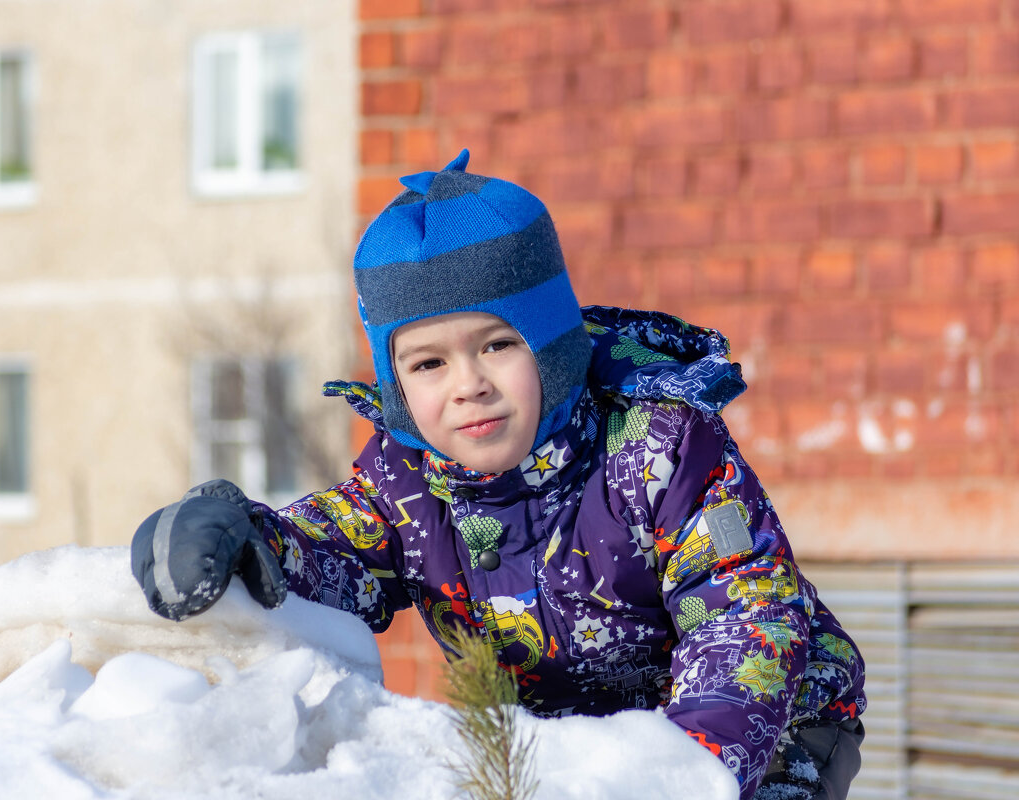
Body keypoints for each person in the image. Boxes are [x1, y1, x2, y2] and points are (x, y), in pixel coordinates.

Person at [130, 150, 866, 800]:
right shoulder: (405, 485)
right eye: (428, 363)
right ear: (397, 387)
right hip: (566, 752)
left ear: (552, 345)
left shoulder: (659, 449)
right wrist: (240, 536)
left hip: (768, 733)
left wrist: (683, 774)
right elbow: (329, 552)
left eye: (497, 345)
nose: (467, 385)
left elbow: (743, 614)